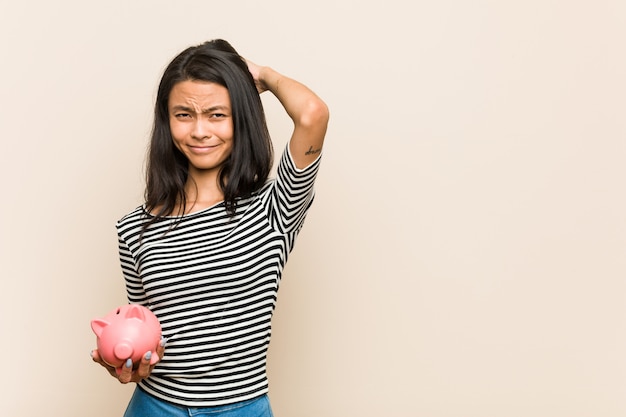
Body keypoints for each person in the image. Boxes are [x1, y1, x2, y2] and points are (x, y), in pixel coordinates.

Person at [91, 39, 329, 416]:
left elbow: (313, 114)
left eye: (217, 114)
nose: (200, 131)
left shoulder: (274, 208)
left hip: (242, 409)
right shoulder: (133, 228)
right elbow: (145, 331)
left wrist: (263, 75)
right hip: (155, 407)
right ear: (166, 122)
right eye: (184, 114)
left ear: (242, 118)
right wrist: (131, 365)